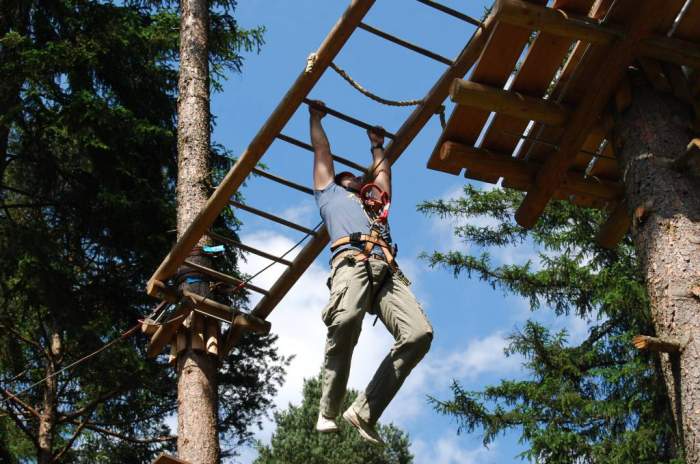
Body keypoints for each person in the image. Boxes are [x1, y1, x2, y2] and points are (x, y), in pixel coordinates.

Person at [309, 100, 433, 445]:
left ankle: (364, 411)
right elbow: (322, 150)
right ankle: (328, 410)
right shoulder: (329, 195)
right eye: (349, 176)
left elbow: (383, 175)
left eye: (360, 176)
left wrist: (377, 146)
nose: (355, 177)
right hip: (352, 263)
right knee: (346, 322)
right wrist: (316, 117)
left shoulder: (375, 205)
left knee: (419, 335)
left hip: (387, 272)